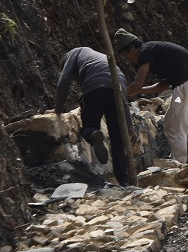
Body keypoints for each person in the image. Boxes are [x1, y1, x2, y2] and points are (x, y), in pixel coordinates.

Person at [114, 28, 188, 164]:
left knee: (176, 124)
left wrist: (120, 94)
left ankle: (179, 164)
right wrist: (138, 92)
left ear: (133, 47)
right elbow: (163, 86)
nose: (128, 59)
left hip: (187, 84)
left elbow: (138, 83)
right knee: (170, 120)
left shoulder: (145, 51)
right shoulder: (156, 54)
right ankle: (176, 158)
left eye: (126, 54)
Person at [54, 47, 131, 186]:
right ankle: (124, 181)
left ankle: (93, 133)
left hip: (95, 83)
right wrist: (129, 128)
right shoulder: (96, 56)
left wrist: (58, 109)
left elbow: (64, 80)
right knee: (117, 137)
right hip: (119, 82)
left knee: (90, 125)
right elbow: (124, 107)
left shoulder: (73, 54)